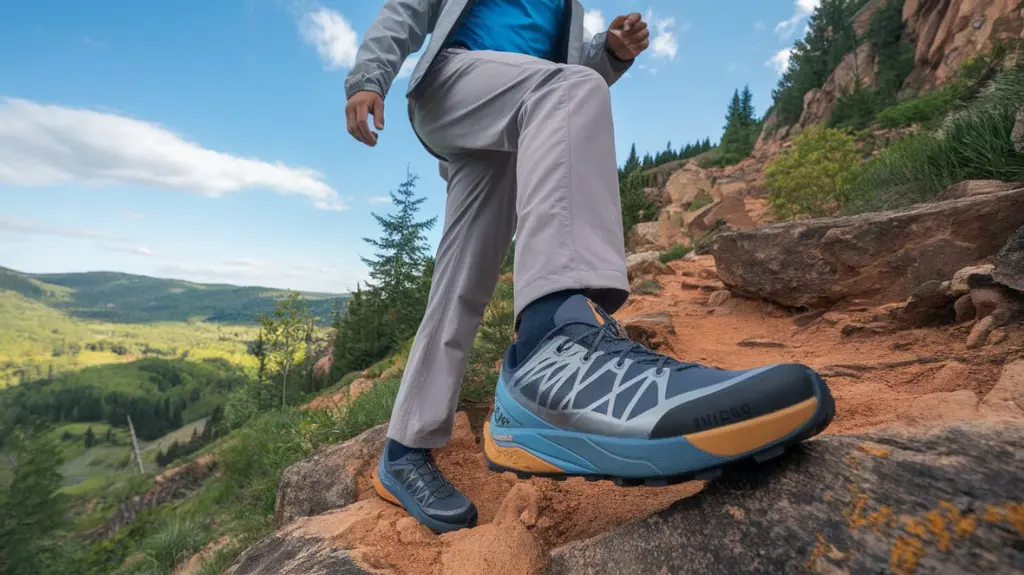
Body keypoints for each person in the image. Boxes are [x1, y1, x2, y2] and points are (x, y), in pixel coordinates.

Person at [345, 0, 836, 534]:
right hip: (453, 84)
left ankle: (402, 452)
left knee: (462, 284)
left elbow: (566, 62)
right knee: (573, 89)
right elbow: (407, 10)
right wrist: (369, 77)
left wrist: (609, 51)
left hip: (509, 124)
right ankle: (553, 343)